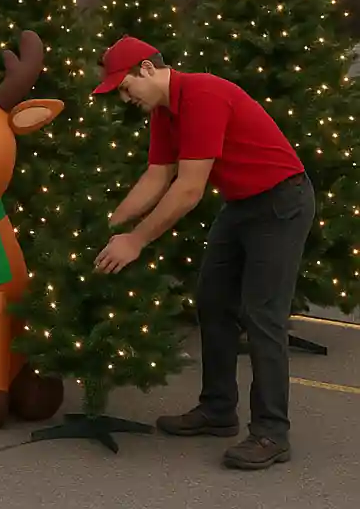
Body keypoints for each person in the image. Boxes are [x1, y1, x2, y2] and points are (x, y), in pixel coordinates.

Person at [90, 35, 314, 471]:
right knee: (212, 300)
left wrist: (136, 241)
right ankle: (217, 409)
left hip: (281, 202)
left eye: (124, 86)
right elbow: (156, 178)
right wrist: (111, 227)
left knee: (262, 315)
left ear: (149, 70)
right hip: (241, 204)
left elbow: (189, 189)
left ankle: (272, 433)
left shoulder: (203, 94)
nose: (124, 97)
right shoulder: (163, 112)